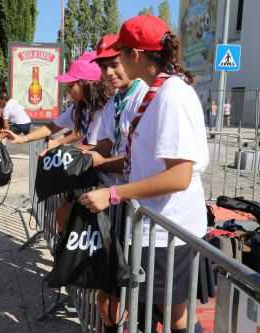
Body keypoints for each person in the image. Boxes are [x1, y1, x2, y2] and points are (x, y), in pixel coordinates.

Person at [79, 15, 208, 333]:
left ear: (134, 55)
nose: (115, 62)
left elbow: (179, 176)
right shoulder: (157, 94)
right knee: (152, 308)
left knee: (176, 318)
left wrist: (113, 194)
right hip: (152, 224)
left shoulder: (172, 96)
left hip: (171, 230)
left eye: (120, 53)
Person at [87, 33, 149, 329]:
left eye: (113, 64)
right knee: (108, 288)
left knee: (153, 300)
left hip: (143, 211)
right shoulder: (115, 101)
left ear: (128, 58)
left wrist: (97, 160)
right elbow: (103, 146)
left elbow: (136, 159)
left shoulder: (144, 95)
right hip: (120, 201)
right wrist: (78, 154)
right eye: (102, 67)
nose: (108, 73)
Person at [2, 54, 106, 149]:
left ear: (87, 84)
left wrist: (60, 145)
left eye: (71, 86)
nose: (68, 91)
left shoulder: (102, 111)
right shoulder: (79, 107)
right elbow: (52, 127)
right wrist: (23, 139)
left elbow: (94, 148)